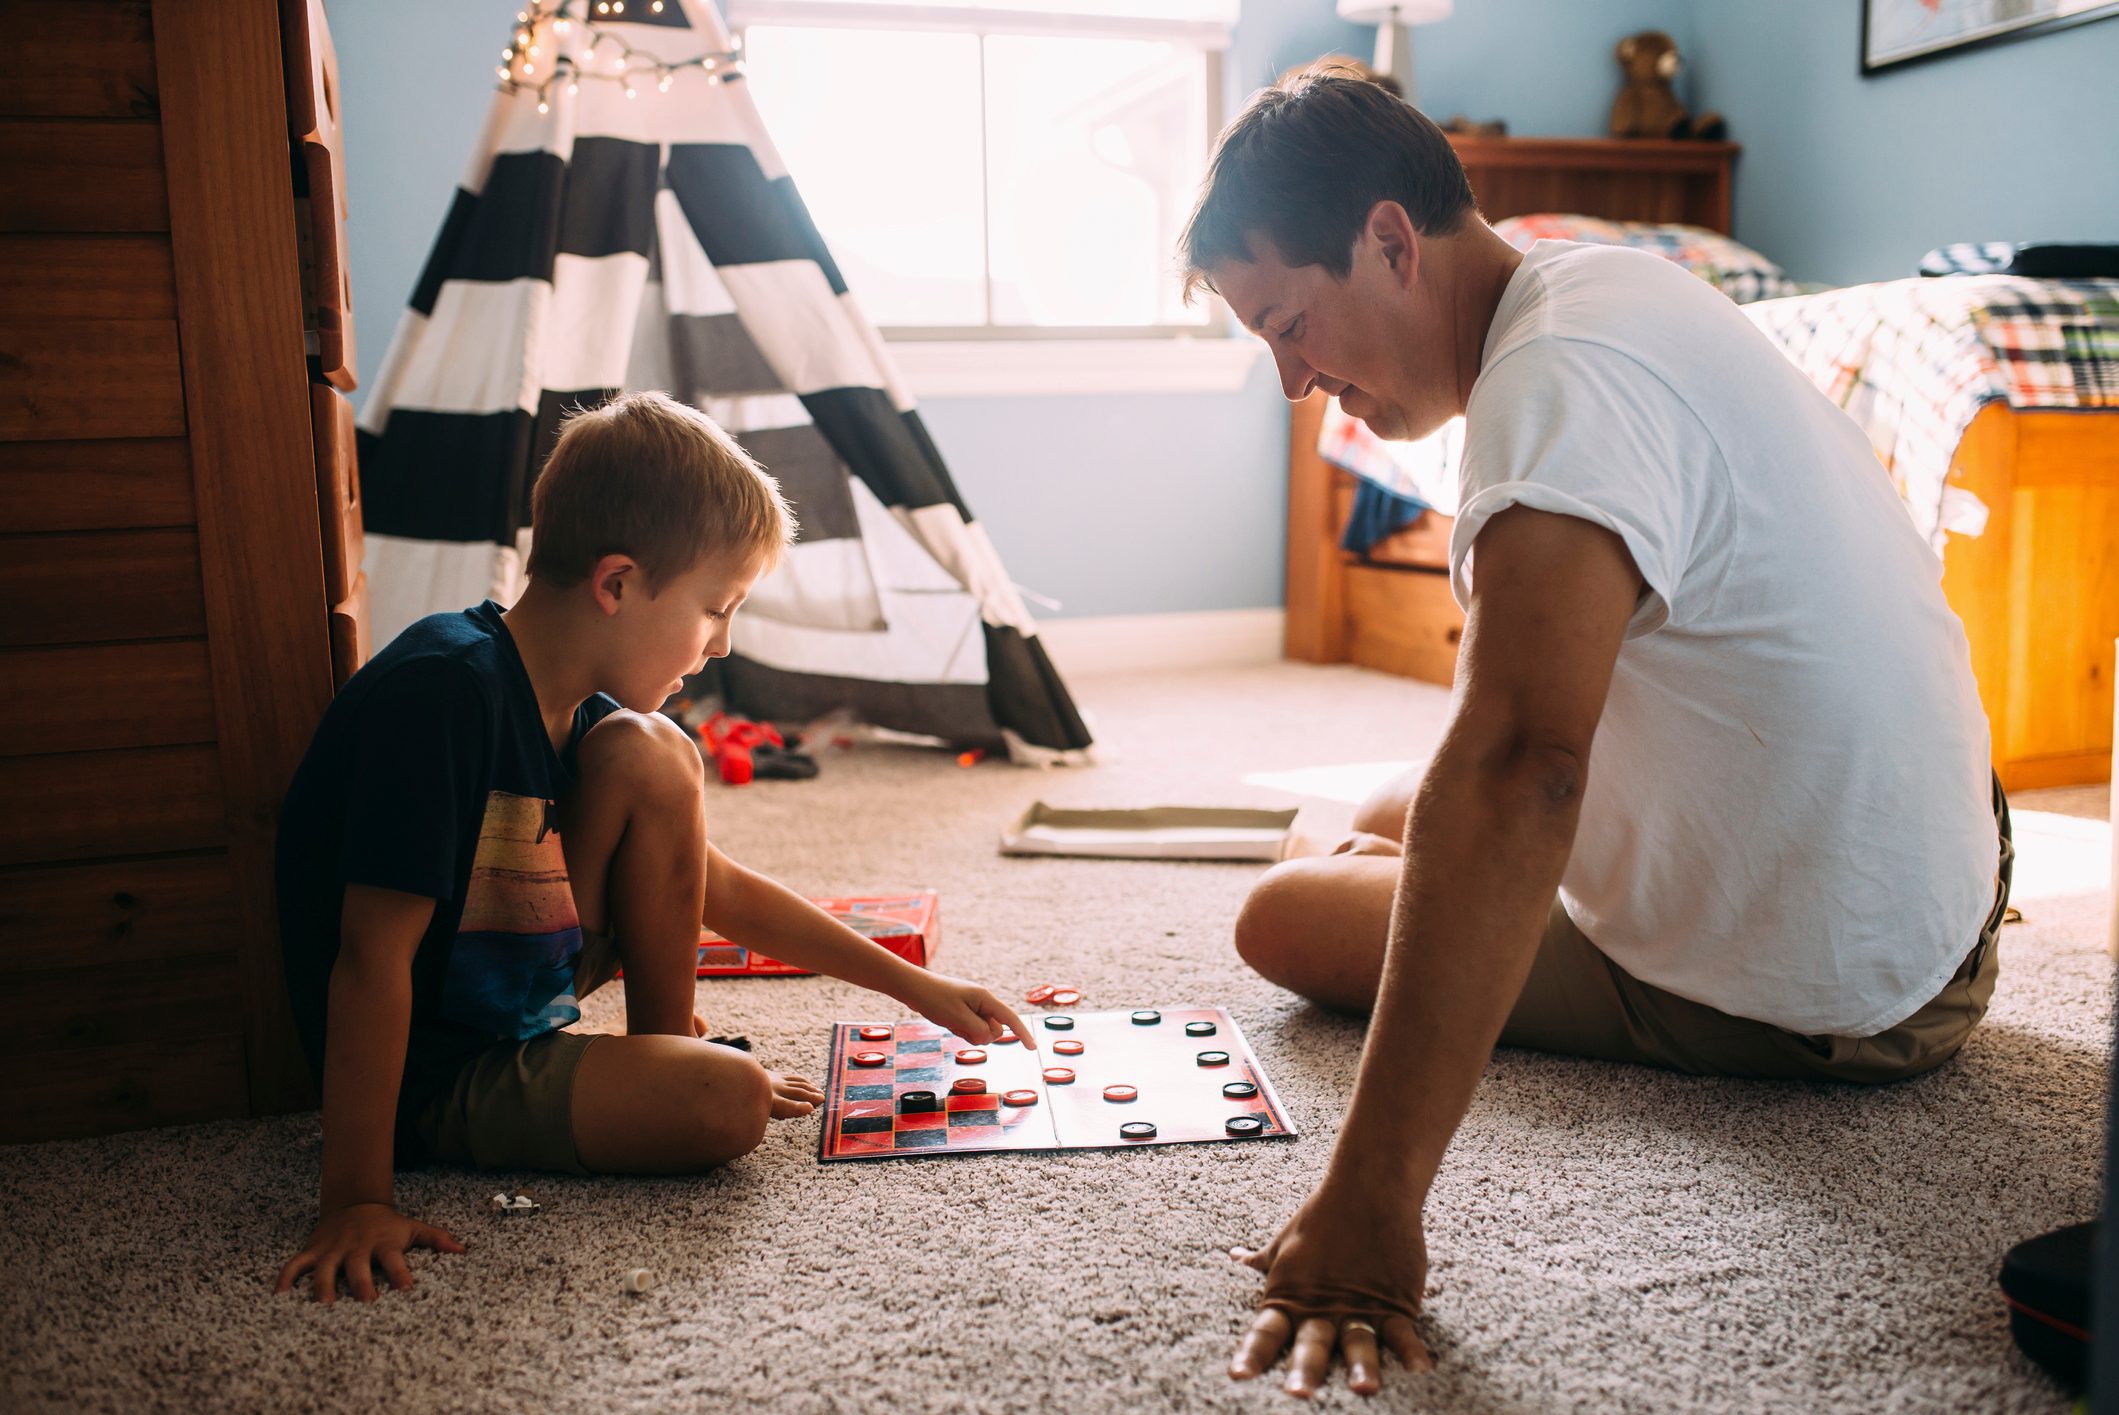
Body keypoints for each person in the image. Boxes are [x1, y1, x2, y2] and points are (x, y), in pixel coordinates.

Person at [1178, 68, 2011, 1396]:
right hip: (1949, 864)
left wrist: (1367, 1205)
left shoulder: (1549, 391)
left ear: (1390, 242)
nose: (1293, 380)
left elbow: (1524, 767)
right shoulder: (1603, 288)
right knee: (1398, 803)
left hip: (1848, 990)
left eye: (1289, 322)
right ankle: (1404, 858)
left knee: (1282, 909)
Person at [272, 391, 1033, 1304]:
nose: (719, 645)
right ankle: (667, 1075)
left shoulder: (576, 706)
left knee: (657, 751)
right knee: (730, 1103)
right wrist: (355, 1195)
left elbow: (714, 886)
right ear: (617, 583)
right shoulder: (441, 695)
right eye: (717, 609)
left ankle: (661, 1045)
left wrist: (916, 987)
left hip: (507, 971)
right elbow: (368, 959)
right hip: (438, 1069)